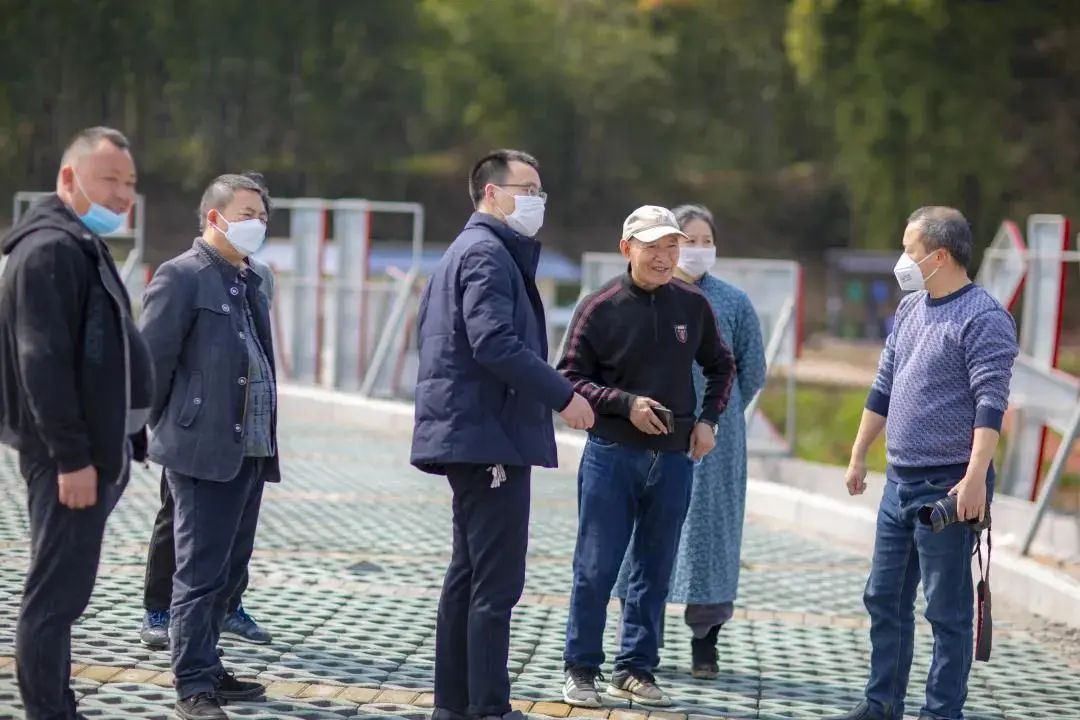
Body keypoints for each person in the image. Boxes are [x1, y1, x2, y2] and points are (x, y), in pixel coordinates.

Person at [410, 149, 595, 720]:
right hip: (487, 438)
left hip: (478, 434)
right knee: (494, 583)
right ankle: (487, 706)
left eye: (541, 190)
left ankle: (455, 705)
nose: (538, 200)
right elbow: (493, 343)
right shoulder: (488, 254)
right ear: (492, 193)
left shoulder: (471, 250)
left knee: (468, 576)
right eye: (528, 188)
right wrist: (565, 396)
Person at [829, 207, 1018, 720]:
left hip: (950, 487)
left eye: (909, 249)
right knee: (884, 598)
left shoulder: (984, 317)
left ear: (939, 256)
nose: (903, 259)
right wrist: (858, 453)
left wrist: (974, 479)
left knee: (947, 611)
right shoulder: (912, 308)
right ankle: (881, 704)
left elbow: (990, 402)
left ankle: (940, 712)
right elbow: (884, 385)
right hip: (899, 481)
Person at [0, 126, 154, 720]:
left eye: (130, 183)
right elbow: (41, 361)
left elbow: (103, 349)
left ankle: (58, 704)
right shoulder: (50, 251)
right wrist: (71, 457)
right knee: (52, 600)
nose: (122, 194)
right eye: (109, 179)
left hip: (96, 451)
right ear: (69, 179)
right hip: (72, 459)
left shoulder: (80, 243)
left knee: (64, 595)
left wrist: (128, 430)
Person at [558, 205, 736, 708]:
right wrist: (624, 404)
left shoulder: (693, 304)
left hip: (674, 459)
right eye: (653, 246)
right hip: (612, 455)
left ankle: (635, 669)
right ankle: (581, 669)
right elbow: (568, 377)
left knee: (654, 570)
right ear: (627, 248)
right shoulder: (599, 306)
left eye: (672, 246)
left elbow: (723, 366)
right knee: (596, 567)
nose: (664, 257)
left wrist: (708, 420)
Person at [139, 173, 280, 720]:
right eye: (248, 212)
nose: (258, 223)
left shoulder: (251, 281)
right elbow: (151, 364)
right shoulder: (181, 276)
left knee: (225, 568)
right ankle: (192, 685)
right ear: (214, 217)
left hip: (250, 447)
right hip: (202, 448)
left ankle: (209, 663)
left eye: (263, 215)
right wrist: (164, 433)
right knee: (197, 572)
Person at [612, 204, 766, 678]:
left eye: (705, 241)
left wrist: (716, 418)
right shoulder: (644, 297)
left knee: (711, 535)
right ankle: (640, 642)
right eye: (687, 240)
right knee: (647, 531)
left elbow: (751, 369)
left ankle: (706, 641)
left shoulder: (734, 302)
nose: (696, 250)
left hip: (715, 438)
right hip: (653, 432)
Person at [139, 480, 271, 649]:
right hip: (190, 455)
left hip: (251, 455)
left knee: (241, 523)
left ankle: (228, 610)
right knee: (177, 517)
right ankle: (158, 609)